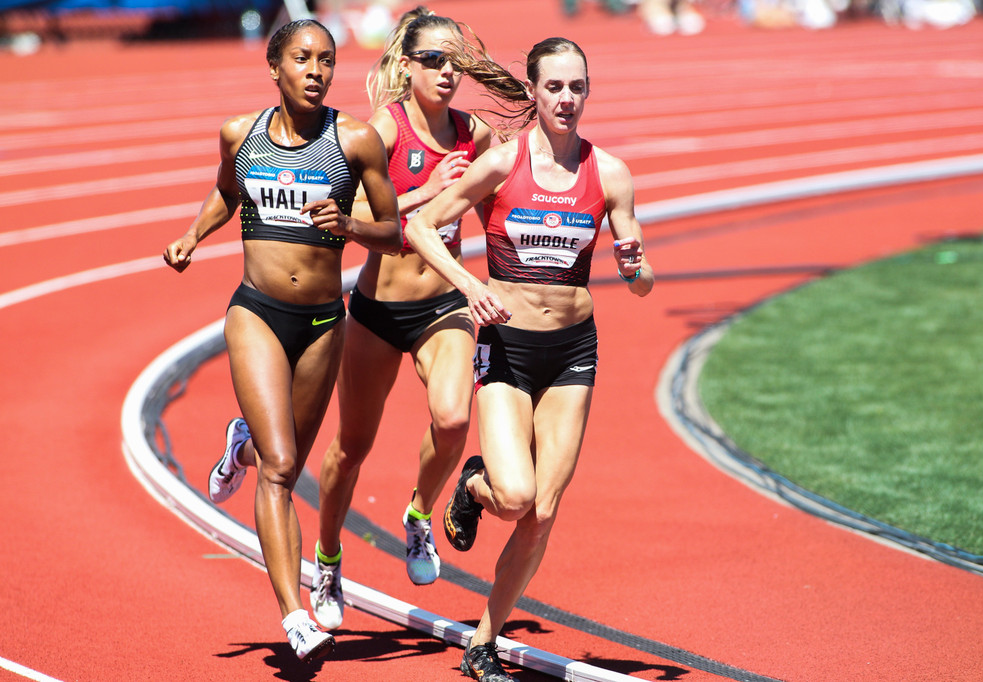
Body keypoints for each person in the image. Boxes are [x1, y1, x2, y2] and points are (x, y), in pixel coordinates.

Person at [404, 36, 654, 682]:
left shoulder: (612, 173)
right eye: (554, 88)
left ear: (587, 91)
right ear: (535, 93)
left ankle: (483, 641)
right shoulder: (502, 165)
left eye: (577, 87)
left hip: (573, 349)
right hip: (508, 346)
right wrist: (470, 287)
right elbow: (422, 227)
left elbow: (642, 278)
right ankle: (474, 486)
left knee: (543, 511)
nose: (567, 99)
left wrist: (636, 268)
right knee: (514, 496)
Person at [162, 18, 401, 663]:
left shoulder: (353, 141)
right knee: (278, 469)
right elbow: (226, 191)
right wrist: (192, 234)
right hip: (258, 312)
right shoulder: (240, 134)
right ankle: (294, 614)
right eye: (303, 58)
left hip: (324, 321)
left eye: (327, 60)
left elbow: (394, 230)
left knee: (285, 459)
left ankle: (239, 439)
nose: (317, 70)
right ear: (275, 66)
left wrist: (349, 224)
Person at [311, 6, 492, 630]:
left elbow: (497, 209)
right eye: (434, 61)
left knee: (453, 418)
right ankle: (328, 558)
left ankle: (419, 516)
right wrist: (429, 190)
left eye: (456, 62)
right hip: (378, 311)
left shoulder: (477, 135)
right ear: (407, 65)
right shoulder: (381, 132)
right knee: (350, 448)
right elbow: (354, 220)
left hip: (442, 305)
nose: (447, 73)